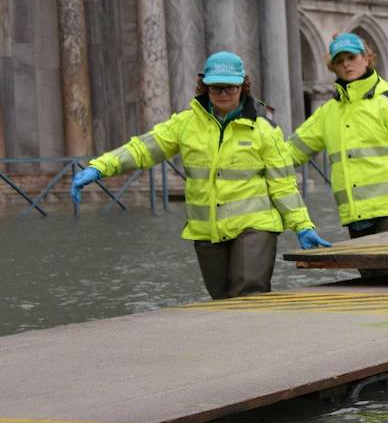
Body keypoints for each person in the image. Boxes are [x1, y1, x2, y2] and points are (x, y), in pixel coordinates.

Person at [70, 52, 330, 299]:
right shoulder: (185, 124)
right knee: (220, 297)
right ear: (205, 88)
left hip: (255, 225)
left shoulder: (264, 130)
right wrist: (100, 167)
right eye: (216, 87)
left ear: (243, 87)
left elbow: (283, 183)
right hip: (207, 230)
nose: (223, 93)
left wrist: (302, 225)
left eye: (230, 87)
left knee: (249, 293)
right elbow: (143, 149)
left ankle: (254, 344)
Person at [284, 33, 388, 240]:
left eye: (351, 58)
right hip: (356, 215)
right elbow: (289, 152)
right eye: (339, 61)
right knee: (370, 273)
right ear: (333, 67)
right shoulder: (328, 112)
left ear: (366, 58)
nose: (346, 65)